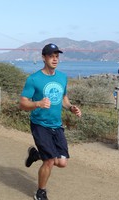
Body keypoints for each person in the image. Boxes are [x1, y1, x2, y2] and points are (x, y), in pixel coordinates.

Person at [19, 43, 82, 200]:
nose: (54, 59)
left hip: (56, 125)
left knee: (62, 162)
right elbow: (22, 103)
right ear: (43, 58)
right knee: (49, 160)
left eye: (57, 56)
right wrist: (37, 103)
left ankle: (35, 154)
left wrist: (71, 107)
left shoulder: (62, 77)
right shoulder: (33, 79)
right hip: (40, 124)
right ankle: (41, 192)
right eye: (51, 56)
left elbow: (64, 99)